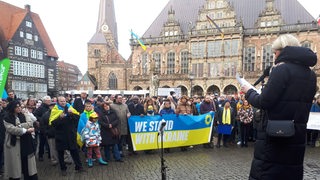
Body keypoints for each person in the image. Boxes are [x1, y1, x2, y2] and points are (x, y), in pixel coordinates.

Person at [241, 34, 317, 180]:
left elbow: (264, 102)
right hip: (296, 135)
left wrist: (249, 92)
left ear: (282, 51)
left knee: (268, 173)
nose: (274, 57)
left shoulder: (281, 69)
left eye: (275, 52)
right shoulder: (310, 75)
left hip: (275, 136)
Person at [49, 96, 84, 176]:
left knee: (74, 151)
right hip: (60, 135)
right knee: (61, 153)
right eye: (61, 101)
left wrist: (71, 114)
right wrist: (60, 118)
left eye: (64, 101)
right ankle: (63, 169)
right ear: (58, 102)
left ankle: (79, 167)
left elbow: (77, 117)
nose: (63, 102)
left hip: (71, 134)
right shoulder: (55, 110)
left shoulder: (70, 107)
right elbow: (52, 123)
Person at [3, 100, 38, 180]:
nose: (19, 108)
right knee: (15, 165)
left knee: (27, 164)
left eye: (20, 106)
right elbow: (11, 129)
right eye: (17, 107)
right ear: (12, 108)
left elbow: (30, 123)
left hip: (26, 142)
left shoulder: (24, 114)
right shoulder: (7, 117)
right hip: (14, 144)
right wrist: (25, 130)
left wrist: (18, 126)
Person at [33, 95, 52, 161]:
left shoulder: (51, 107)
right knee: (42, 142)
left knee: (50, 142)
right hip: (43, 127)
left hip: (50, 127)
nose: (49, 102)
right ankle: (40, 155)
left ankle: (50, 155)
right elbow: (35, 114)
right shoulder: (41, 108)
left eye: (50, 100)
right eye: (48, 101)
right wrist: (41, 120)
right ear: (44, 101)